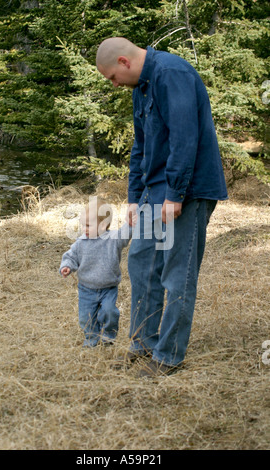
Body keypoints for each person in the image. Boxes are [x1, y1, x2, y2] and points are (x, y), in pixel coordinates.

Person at [96, 37, 228, 377]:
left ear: (124, 62)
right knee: (142, 263)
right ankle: (142, 344)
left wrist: (175, 194)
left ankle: (168, 357)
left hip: (189, 191)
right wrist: (134, 197)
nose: (113, 84)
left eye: (112, 77)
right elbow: (141, 146)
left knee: (176, 274)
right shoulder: (141, 88)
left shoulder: (172, 73)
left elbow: (185, 137)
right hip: (154, 193)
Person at [59, 196, 132, 347]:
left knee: (109, 312)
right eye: (82, 225)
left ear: (103, 225)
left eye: (88, 225)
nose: (84, 229)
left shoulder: (113, 239)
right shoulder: (81, 242)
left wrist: (132, 222)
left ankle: (108, 336)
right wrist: (67, 266)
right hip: (86, 288)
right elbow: (71, 256)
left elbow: (126, 233)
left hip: (108, 288)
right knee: (86, 318)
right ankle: (92, 339)